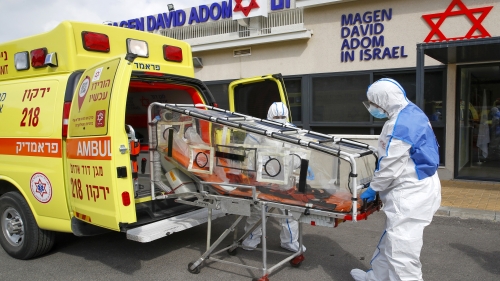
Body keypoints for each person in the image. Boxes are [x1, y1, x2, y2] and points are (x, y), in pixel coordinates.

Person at [350, 78, 441, 281]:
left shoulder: (400, 124)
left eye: (373, 103)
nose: (372, 108)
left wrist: (372, 189)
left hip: (410, 194)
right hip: (419, 186)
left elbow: (390, 167)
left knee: (402, 251)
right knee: (390, 240)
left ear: (383, 101)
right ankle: (377, 276)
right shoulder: (410, 112)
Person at [241, 102, 306, 253]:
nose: (279, 119)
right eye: (276, 117)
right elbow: (248, 149)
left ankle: (289, 241)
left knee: (288, 211)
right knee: (258, 210)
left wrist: (290, 164)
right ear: (270, 115)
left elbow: (302, 152)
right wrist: (252, 171)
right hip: (263, 176)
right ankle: (251, 237)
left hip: (286, 177)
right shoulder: (259, 129)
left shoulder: (293, 131)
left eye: (282, 117)